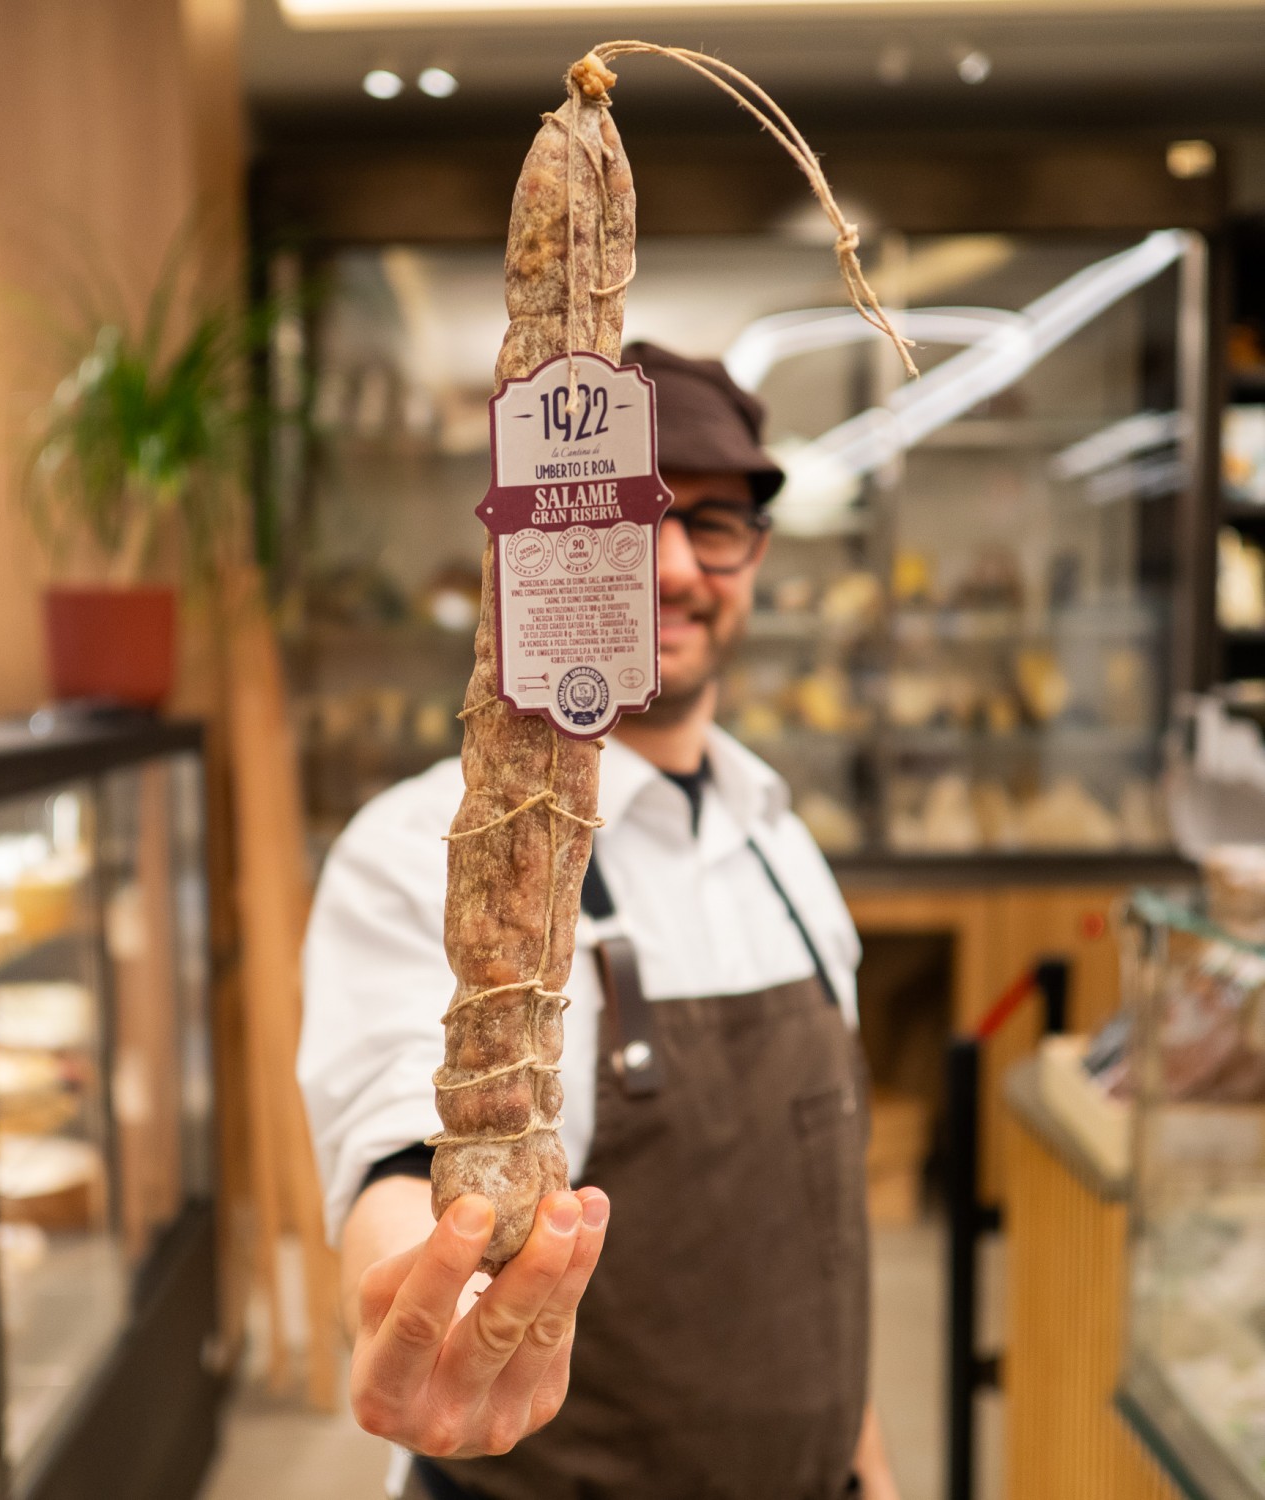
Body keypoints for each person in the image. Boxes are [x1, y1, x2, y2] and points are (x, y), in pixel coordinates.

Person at [299, 342, 899, 1500]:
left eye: (715, 522)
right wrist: (417, 1310)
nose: (675, 568)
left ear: (757, 556)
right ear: (549, 542)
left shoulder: (782, 837)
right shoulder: (428, 848)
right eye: (636, 515)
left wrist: (867, 1469)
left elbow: (818, 1253)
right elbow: (399, 1155)